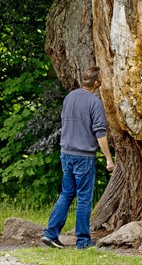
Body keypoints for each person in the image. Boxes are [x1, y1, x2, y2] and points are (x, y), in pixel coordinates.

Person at [42, 66, 114, 249]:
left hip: (66, 153)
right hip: (83, 156)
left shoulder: (70, 97)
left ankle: (50, 234)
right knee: (83, 198)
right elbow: (100, 132)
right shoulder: (94, 102)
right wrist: (108, 158)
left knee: (67, 194)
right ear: (97, 82)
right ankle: (83, 241)